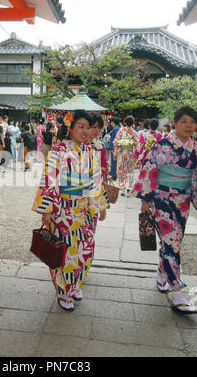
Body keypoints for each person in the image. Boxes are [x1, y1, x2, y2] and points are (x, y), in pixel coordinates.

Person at [32, 110, 108, 312]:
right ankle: (64, 291)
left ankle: (73, 285)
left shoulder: (91, 152)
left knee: (87, 250)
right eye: (80, 126)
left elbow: (96, 180)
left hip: (83, 210)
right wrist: (47, 210)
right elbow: (49, 180)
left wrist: (99, 205)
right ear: (71, 128)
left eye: (87, 127)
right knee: (65, 253)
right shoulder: (58, 151)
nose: (85, 131)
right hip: (63, 209)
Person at [132, 106, 197, 314]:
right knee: (172, 244)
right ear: (175, 123)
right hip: (162, 199)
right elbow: (149, 170)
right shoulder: (162, 145)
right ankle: (177, 294)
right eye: (185, 121)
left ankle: (162, 275)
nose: (189, 126)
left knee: (174, 241)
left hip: (183, 201)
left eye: (193, 122)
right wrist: (146, 200)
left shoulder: (194, 148)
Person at [113, 115, 139, 196]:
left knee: (121, 170)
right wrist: (130, 143)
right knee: (129, 170)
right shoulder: (134, 132)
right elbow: (137, 143)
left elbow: (116, 141)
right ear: (132, 123)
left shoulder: (121, 130)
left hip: (122, 152)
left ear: (125, 122)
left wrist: (117, 150)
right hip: (130, 153)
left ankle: (123, 188)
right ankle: (128, 187)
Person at [108, 116, 120, 181]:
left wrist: (112, 147)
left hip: (114, 147)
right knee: (114, 161)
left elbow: (114, 139)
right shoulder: (117, 128)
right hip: (116, 147)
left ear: (113, 122)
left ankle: (114, 175)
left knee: (114, 161)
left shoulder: (115, 129)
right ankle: (114, 174)